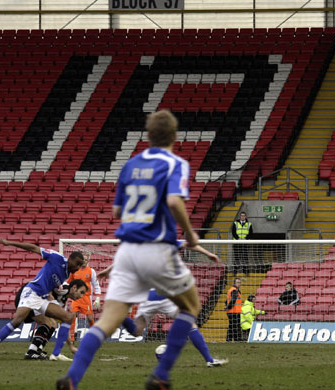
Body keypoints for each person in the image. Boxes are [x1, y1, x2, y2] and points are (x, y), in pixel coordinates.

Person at [56, 110, 202, 390]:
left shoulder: (131, 165)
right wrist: (191, 234)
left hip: (126, 250)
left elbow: (117, 210)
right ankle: (161, 376)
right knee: (190, 306)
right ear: (174, 135)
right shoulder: (175, 163)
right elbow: (173, 200)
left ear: (148, 135)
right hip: (157, 248)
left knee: (108, 321)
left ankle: (72, 378)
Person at [96, 243, 227, 366]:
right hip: (166, 296)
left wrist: (108, 270)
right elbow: (189, 244)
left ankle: (121, 316)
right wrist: (208, 253)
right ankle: (209, 360)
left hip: (150, 297)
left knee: (137, 332)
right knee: (190, 324)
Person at [0, 240, 84, 360]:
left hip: (43, 298)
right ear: (70, 259)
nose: (78, 267)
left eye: (80, 265)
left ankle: (55, 354)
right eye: (77, 263)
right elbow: (34, 248)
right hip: (32, 292)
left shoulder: (66, 275)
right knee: (17, 321)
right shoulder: (57, 257)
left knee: (67, 317)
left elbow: (50, 285)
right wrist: (10, 243)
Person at [17, 279, 87, 361]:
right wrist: (49, 294)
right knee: (48, 322)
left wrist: (71, 346)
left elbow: (64, 326)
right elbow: (48, 282)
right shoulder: (64, 288)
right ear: (74, 288)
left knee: (53, 324)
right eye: (81, 292)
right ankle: (31, 352)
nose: (81, 296)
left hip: (33, 301)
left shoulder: (63, 301)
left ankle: (38, 350)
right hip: (27, 297)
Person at [68, 253, 102, 343]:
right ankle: (72, 338)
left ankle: (94, 336)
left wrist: (98, 297)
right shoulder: (75, 270)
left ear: (88, 261)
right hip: (75, 297)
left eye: (87, 260)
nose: (85, 261)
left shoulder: (91, 271)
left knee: (90, 318)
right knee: (72, 316)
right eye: (84, 259)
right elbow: (69, 282)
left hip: (86, 297)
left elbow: (96, 285)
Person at [226, 278, 243, 342]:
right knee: (235, 326)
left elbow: (227, 300)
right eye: (238, 282)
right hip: (234, 311)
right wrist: (229, 307)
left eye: (240, 282)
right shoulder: (234, 290)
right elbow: (233, 300)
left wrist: (227, 306)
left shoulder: (233, 290)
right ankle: (236, 339)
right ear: (234, 283)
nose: (239, 284)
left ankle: (229, 339)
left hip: (234, 311)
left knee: (232, 326)